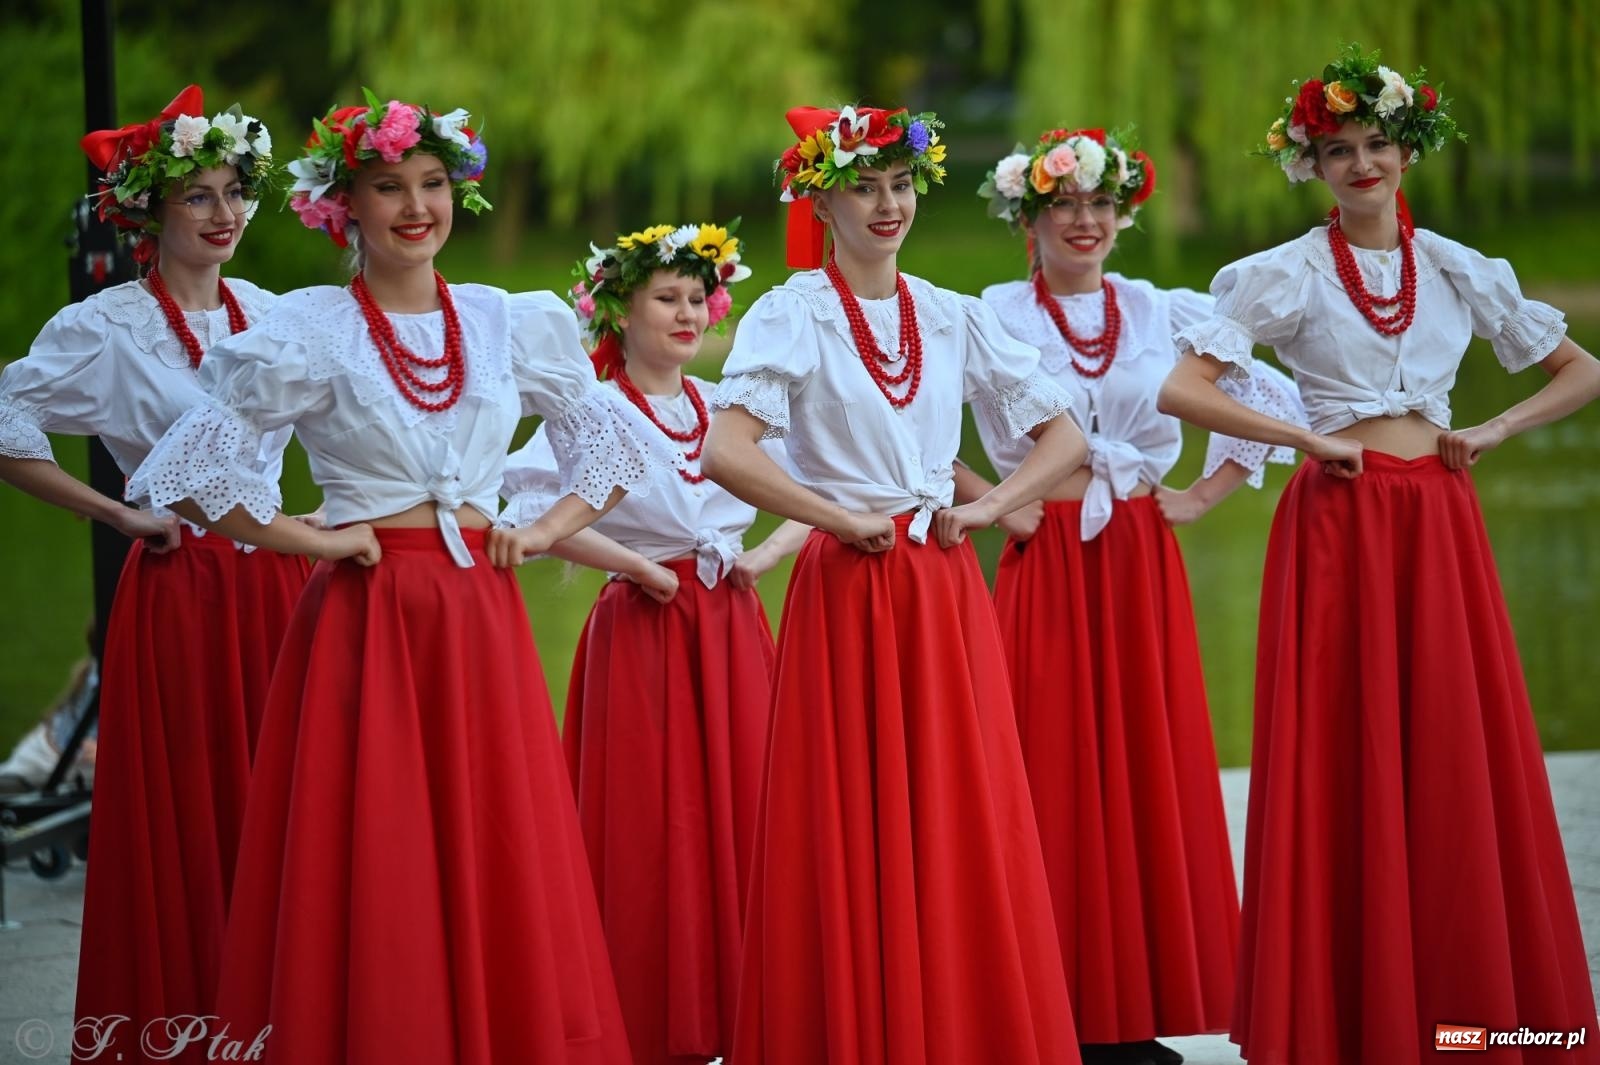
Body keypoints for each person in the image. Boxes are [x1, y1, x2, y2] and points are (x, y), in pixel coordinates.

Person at [128, 93, 679, 1063]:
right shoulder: (313, 328)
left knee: (495, 837)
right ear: (344, 205)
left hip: (478, 613)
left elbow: (608, 444)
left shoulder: (507, 321)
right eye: (388, 187)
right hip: (369, 611)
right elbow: (192, 468)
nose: (414, 206)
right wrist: (310, 539)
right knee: (379, 846)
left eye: (431, 184)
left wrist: (542, 526)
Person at [1158, 46, 1600, 1065]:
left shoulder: (1455, 266)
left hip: (1438, 520)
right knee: (1344, 750)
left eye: (1375, 145)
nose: (1359, 164)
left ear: (1408, 151)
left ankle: (1473, 1018)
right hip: (1340, 521)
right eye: (1336, 150)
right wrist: (1303, 439)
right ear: (1309, 165)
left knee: (1452, 743)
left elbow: (1580, 373)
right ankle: (1349, 1019)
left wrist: (1493, 433)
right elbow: (1183, 390)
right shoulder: (1282, 275)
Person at [701, 104, 1088, 1065]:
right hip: (852, 580)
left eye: (901, 185)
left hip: (944, 584)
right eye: (864, 187)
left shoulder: (952, 314)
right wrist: (836, 517)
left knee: (960, 809)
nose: (888, 205)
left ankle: (960, 1029)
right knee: (852, 818)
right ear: (820, 201)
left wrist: (994, 507)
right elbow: (725, 450)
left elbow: (1068, 437)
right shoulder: (793, 312)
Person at [961, 125, 1306, 1065]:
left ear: (1124, 216)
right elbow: (900, 416)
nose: (1086, 221)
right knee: (1048, 763)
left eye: (1102, 205)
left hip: (1138, 555)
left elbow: (1278, 399)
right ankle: (1048, 1002)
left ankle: (1138, 1011)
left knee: (1145, 765)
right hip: (1047, 555)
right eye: (1065, 206)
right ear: (1028, 220)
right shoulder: (988, 313)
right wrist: (989, 503)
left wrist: (1200, 494)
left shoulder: (1161, 310)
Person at [0, 85, 309, 1044]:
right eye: (199, 198)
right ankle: (193, 1006)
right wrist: (115, 511)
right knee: (193, 793)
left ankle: (286, 1001)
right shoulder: (107, 327)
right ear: (150, 211)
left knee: (284, 794)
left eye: (234, 194)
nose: (224, 217)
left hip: (281, 580)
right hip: (182, 584)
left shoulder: (276, 312)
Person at [502, 221, 807, 1065]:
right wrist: (633, 563)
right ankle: (653, 1020)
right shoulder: (593, 407)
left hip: (729, 622)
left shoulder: (723, 408)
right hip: (647, 623)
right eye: (663, 299)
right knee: (655, 823)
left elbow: (816, 485)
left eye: (695, 298)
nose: (686, 314)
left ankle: (753, 1010)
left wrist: (767, 552)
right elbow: (523, 516)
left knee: (747, 810)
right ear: (616, 313)